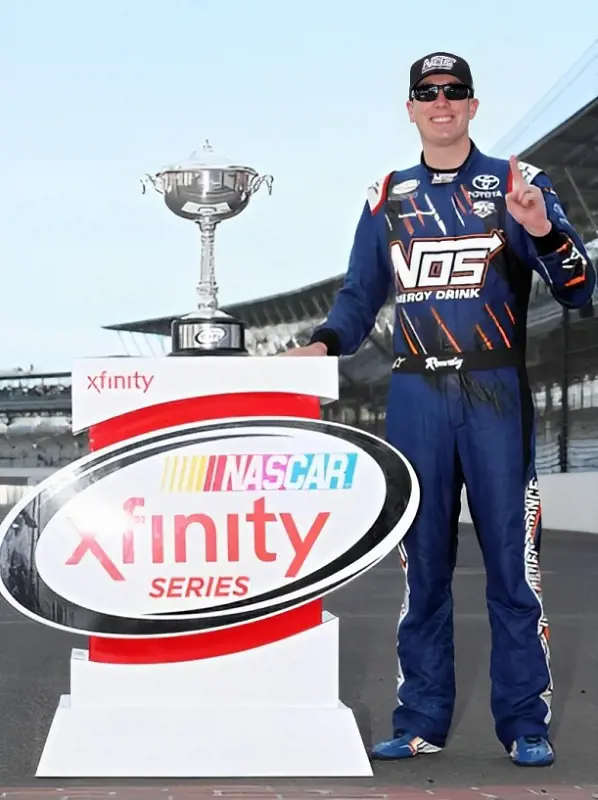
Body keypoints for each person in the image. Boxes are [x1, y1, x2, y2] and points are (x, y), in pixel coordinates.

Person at [281, 52, 596, 767]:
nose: (442, 102)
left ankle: (525, 723)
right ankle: (420, 719)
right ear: (412, 108)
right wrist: (323, 342)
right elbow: (359, 298)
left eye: (455, 92)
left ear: (474, 105)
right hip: (416, 394)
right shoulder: (386, 195)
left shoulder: (518, 184)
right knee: (421, 569)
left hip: (494, 397)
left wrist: (542, 229)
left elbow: (579, 287)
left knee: (515, 573)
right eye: (428, 93)